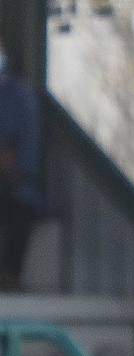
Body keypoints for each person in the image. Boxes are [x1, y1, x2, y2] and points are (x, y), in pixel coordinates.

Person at [0, 46, 42, 291]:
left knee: (21, 206)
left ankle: (9, 275)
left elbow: (9, 155)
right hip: (18, 189)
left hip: (18, 189)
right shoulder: (22, 95)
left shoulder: (14, 95)